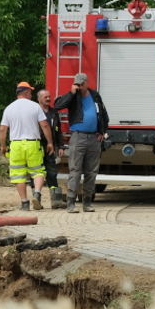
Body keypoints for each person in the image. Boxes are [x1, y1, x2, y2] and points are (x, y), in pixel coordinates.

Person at [52, 72, 109, 213]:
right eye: (77, 84)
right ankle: (71, 202)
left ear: (86, 83)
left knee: (91, 171)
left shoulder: (95, 96)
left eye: (81, 84)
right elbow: (58, 106)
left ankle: (87, 202)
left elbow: (104, 114)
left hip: (94, 138)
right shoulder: (73, 97)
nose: (79, 86)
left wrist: (102, 131)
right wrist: (71, 93)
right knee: (75, 170)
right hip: (78, 137)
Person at [0, 81, 54, 210]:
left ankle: (24, 203)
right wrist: (50, 142)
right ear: (26, 92)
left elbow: (2, 129)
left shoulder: (9, 108)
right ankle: (37, 194)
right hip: (32, 144)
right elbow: (44, 125)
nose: (31, 95)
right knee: (38, 171)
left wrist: (2, 146)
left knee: (18, 174)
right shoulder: (35, 107)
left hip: (16, 145)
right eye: (30, 92)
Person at [37, 87, 64, 206]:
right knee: (37, 172)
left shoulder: (54, 112)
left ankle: (56, 201)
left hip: (51, 146)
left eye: (49, 97)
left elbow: (58, 131)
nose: (48, 99)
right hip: (37, 146)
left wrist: (61, 146)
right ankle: (36, 199)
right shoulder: (34, 111)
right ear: (39, 99)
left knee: (52, 172)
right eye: (45, 97)